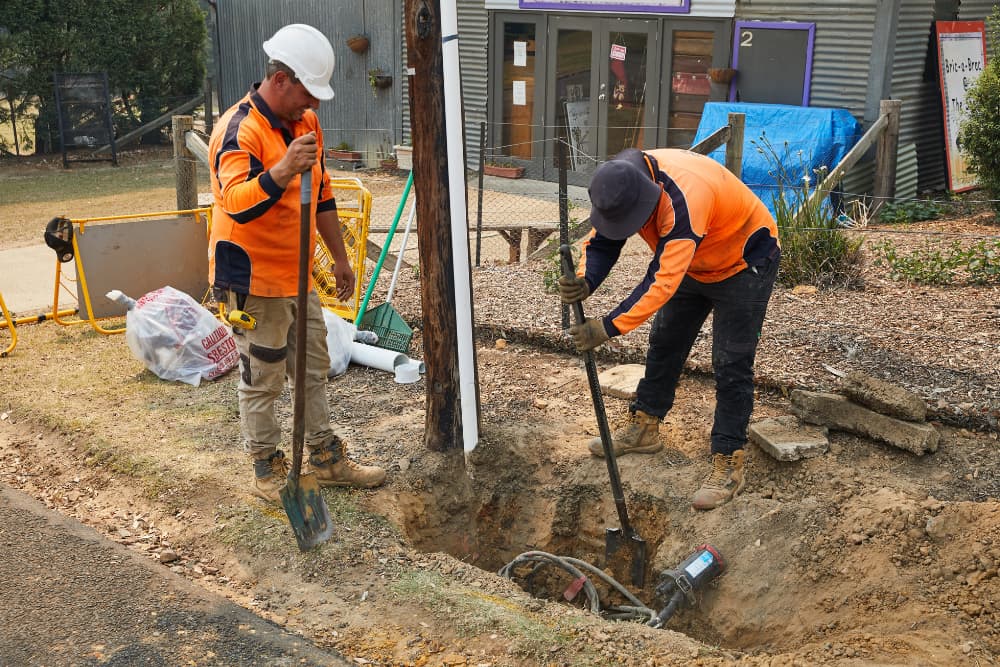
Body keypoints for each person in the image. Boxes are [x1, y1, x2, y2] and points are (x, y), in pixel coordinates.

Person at [208, 23, 386, 502]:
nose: (315, 105)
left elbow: (323, 195)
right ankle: (267, 467)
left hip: (296, 273)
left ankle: (326, 458)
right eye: (308, 93)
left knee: (312, 366)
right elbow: (237, 200)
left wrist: (340, 258)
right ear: (281, 79)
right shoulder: (238, 129)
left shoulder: (306, 123)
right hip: (252, 278)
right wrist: (283, 168)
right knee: (262, 376)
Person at [559, 148, 780, 511]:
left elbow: (660, 282)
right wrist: (586, 280)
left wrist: (607, 327)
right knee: (665, 344)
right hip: (695, 263)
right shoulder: (623, 181)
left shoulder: (684, 200)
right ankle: (645, 426)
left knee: (731, 362)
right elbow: (602, 242)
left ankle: (728, 457)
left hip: (744, 261)